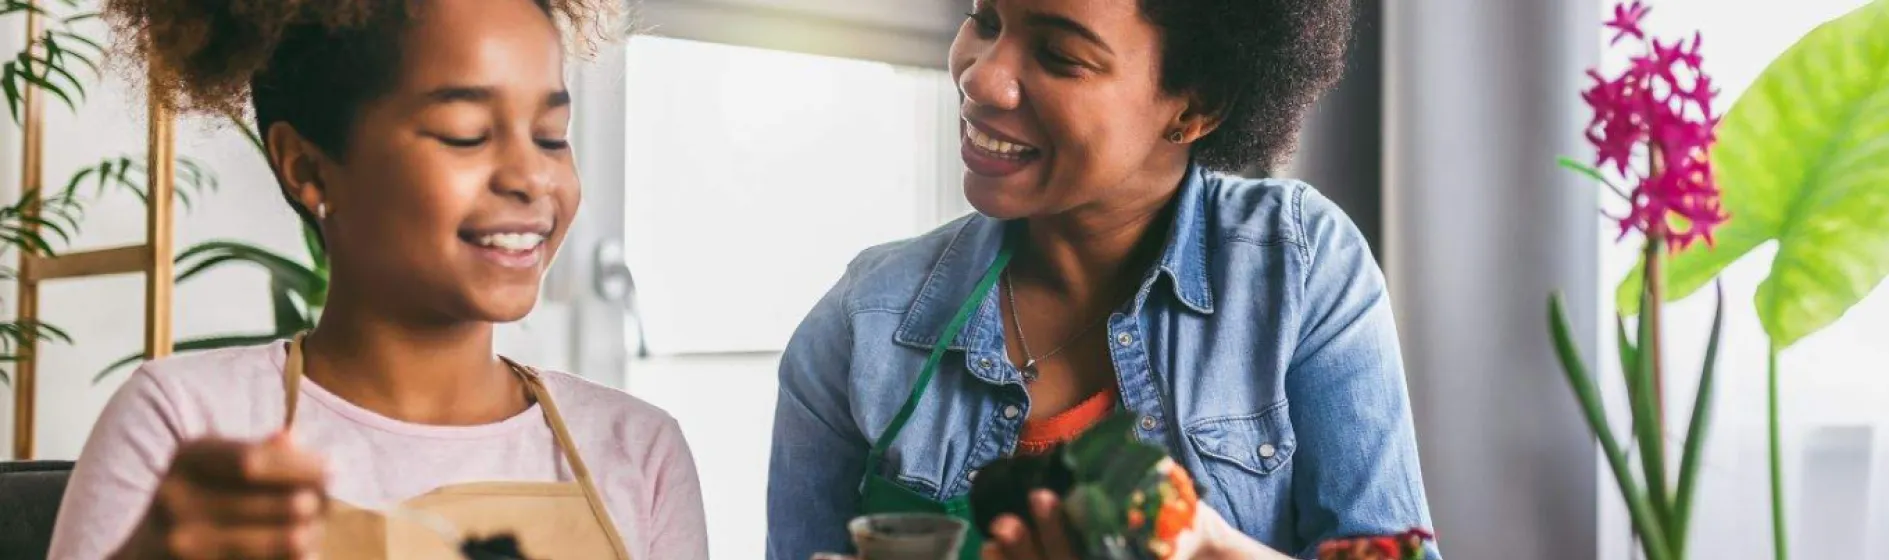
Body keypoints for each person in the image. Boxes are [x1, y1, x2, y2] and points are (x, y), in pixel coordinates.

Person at [767, 0, 1437, 558]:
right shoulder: (864, 321)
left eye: (1060, 55)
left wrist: (1207, 550)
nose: (983, 78)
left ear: (1192, 108)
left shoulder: (1296, 266)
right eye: (986, 20)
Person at [48, 1, 709, 559]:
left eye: (551, 134)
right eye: (465, 133)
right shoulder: (183, 419)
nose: (531, 177)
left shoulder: (638, 451)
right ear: (308, 167)